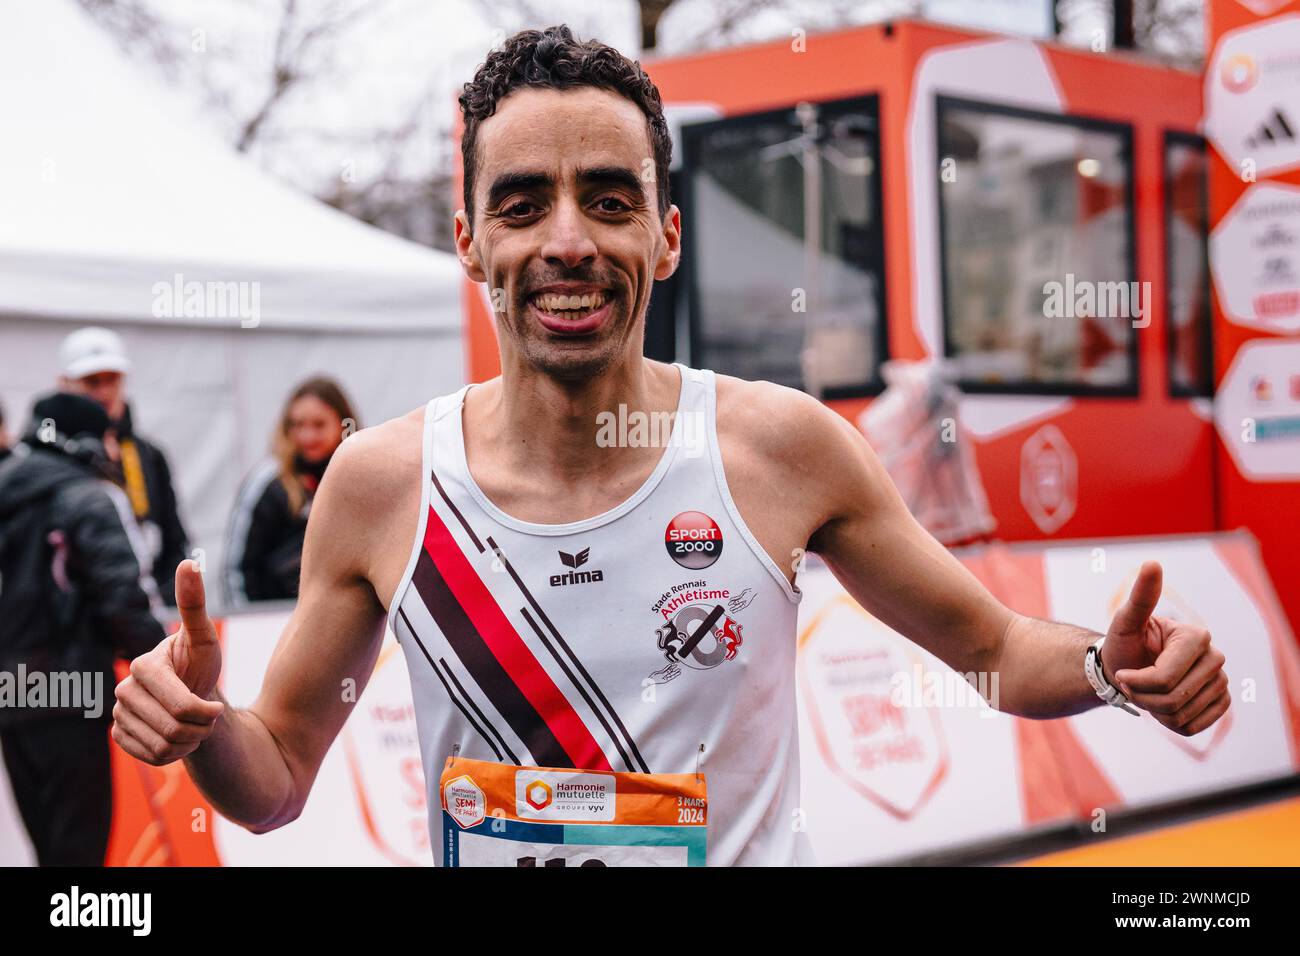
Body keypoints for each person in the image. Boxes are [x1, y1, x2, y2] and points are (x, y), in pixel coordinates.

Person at [111, 26, 1231, 867]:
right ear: (466, 241)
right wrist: (202, 725)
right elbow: (275, 783)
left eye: (608, 200)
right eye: (519, 204)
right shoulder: (384, 480)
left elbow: (992, 646)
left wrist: (1105, 666)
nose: (567, 242)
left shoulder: (779, 446)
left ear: (666, 233)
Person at [0, 392, 166, 866]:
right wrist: (173, 672)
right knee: (79, 854)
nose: (115, 450)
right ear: (90, 439)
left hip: (13, 696)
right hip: (72, 693)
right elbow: (125, 598)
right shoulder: (89, 496)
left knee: (49, 849)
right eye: (111, 437)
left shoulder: (8, 490)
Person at [58, 326, 190, 607]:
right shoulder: (53, 459)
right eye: (92, 382)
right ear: (64, 385)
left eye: (112, 380)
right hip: (81, 624)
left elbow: (174, 538)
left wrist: (164, 603)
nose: (104, 392)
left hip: (146, 612)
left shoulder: (148, 455)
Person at [224, 376, 358, 605]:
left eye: (319, 425)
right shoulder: (268, 482)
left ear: (343, 424)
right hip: (272, 621)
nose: (307, 436)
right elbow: (237, 569)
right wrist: (245, 621)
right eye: (298, 425)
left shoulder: (360, 478)